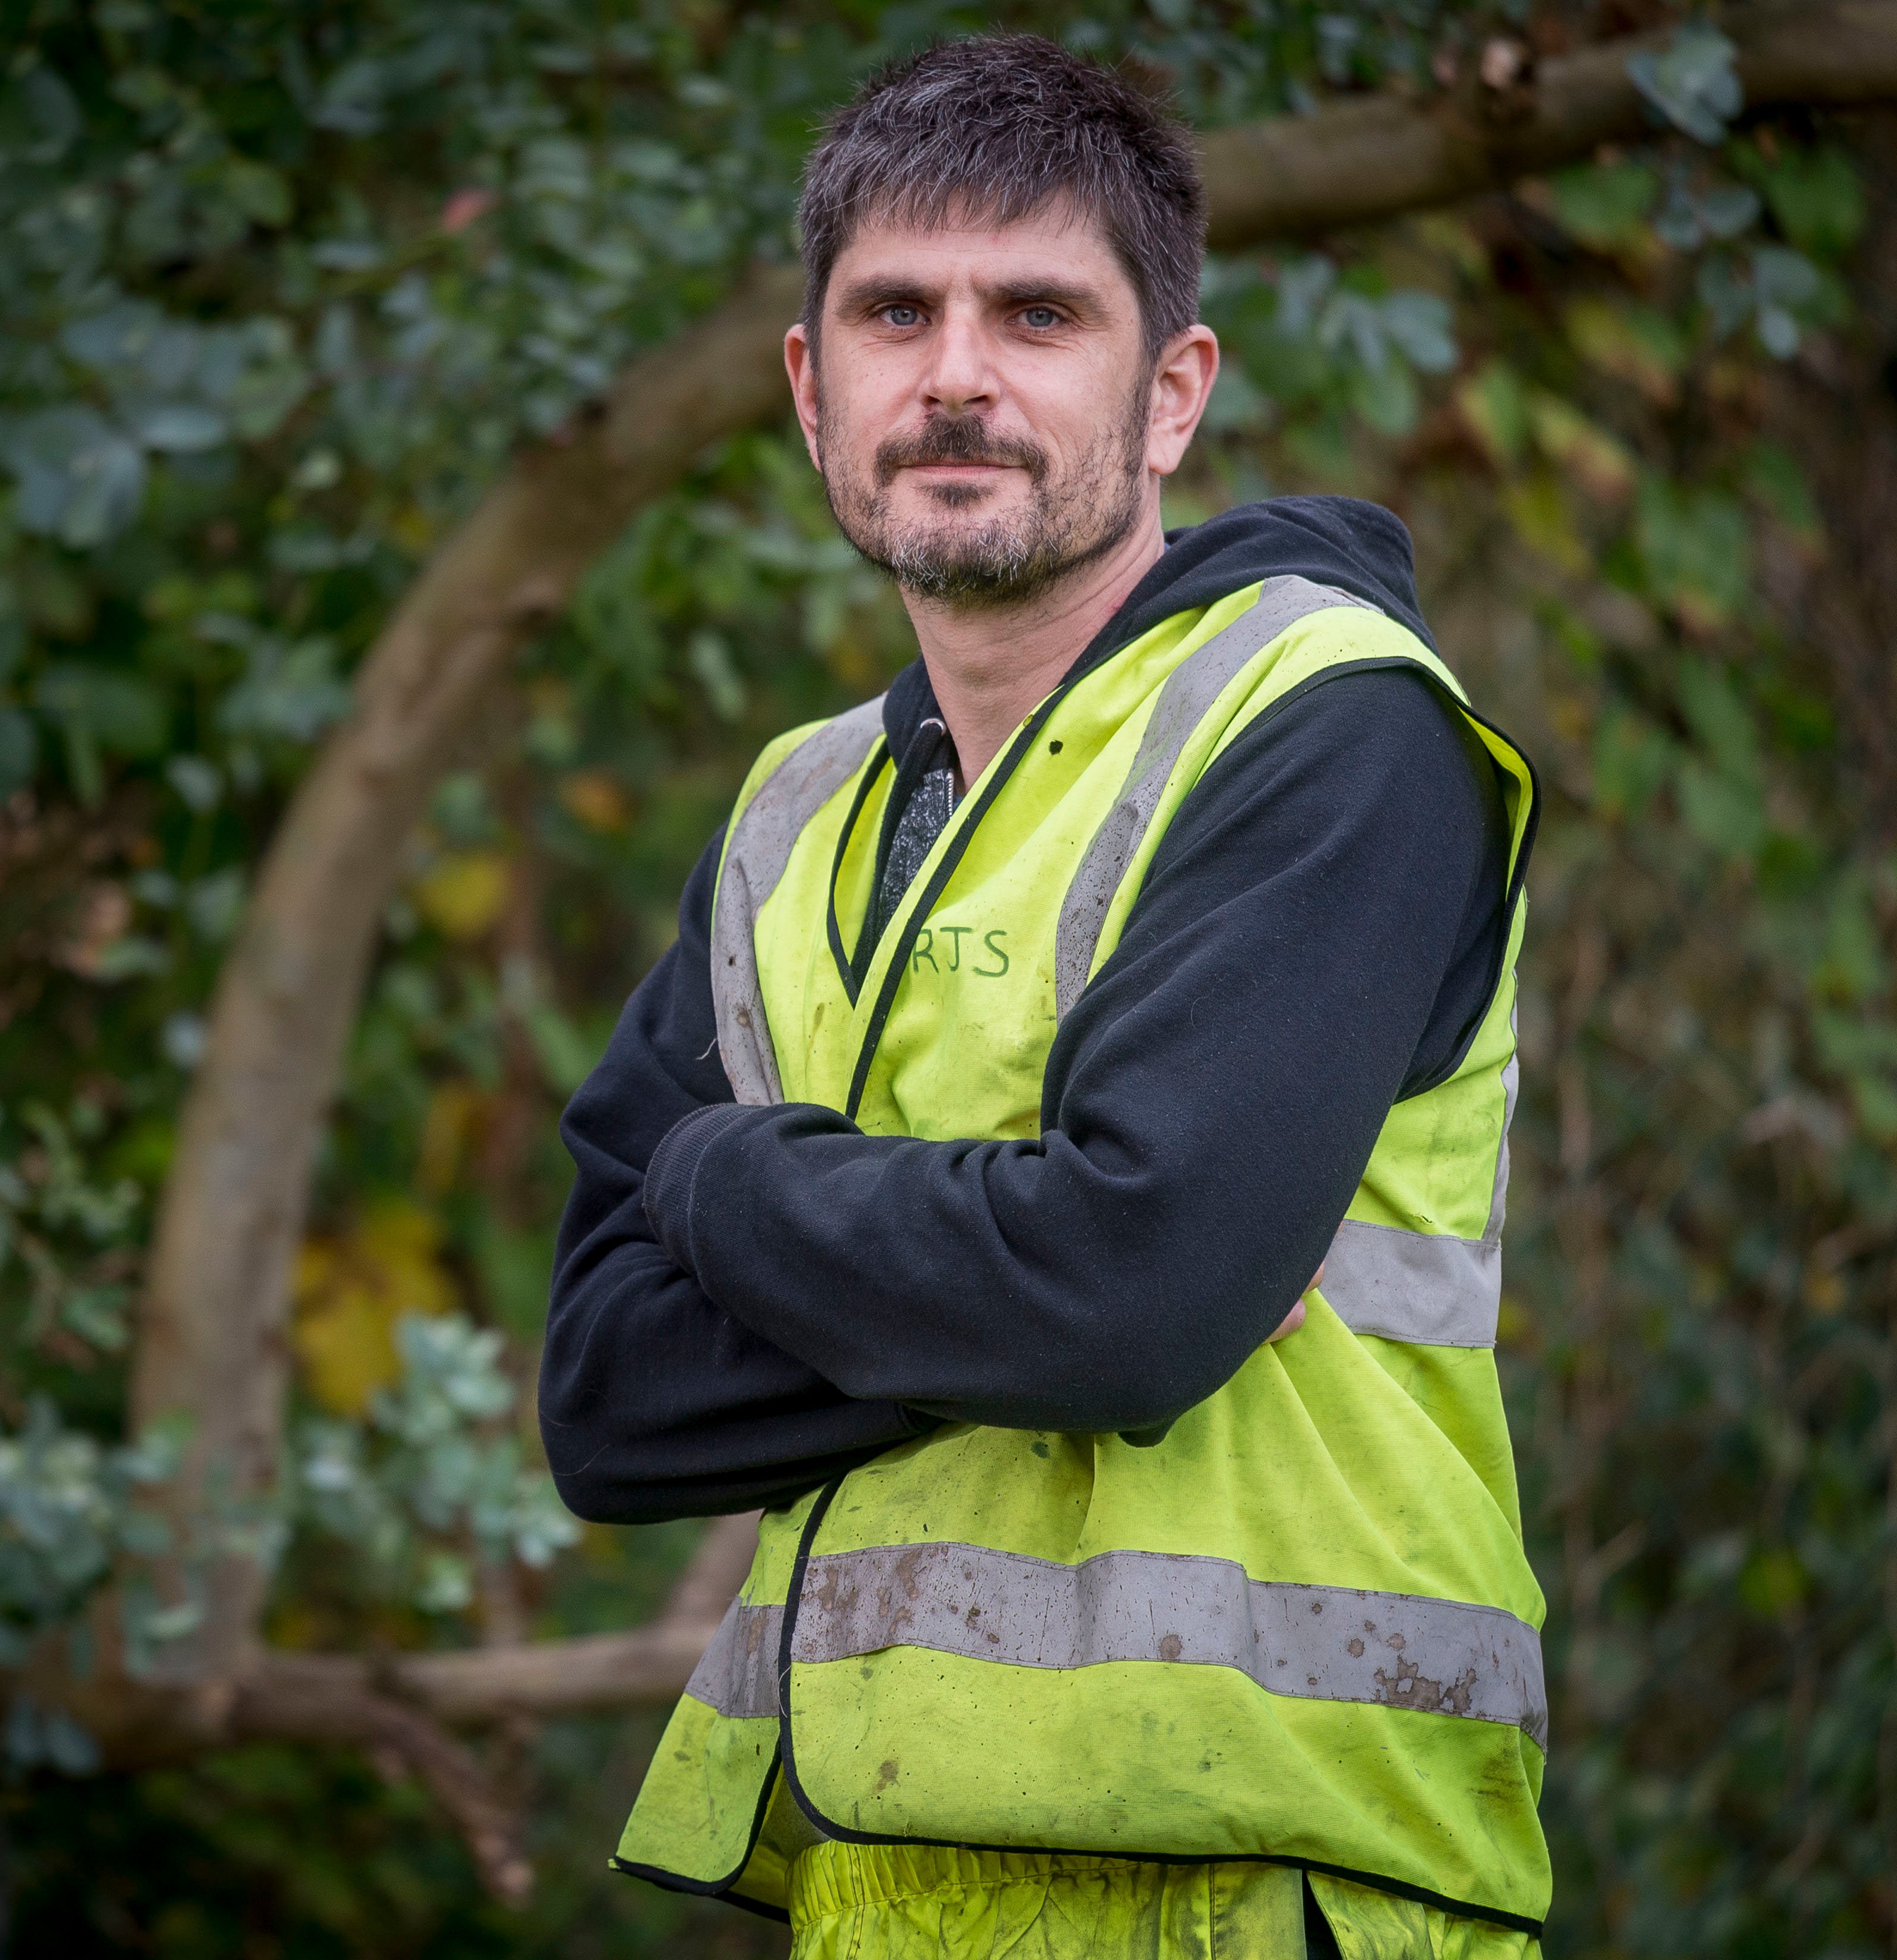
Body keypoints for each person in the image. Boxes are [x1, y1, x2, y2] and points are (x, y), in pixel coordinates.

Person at [538, 35, 1546, 1960]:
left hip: (1270, 1885)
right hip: (876, 1898)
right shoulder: (796, 815)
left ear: (1173, 393)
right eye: (895, 312)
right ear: (811, 390)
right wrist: (1006, 1253)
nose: (957, 375)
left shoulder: (1327, 727)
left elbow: (1129, 1297)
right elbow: (608, 1401)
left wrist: (723, 1189)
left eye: (1039, 313)